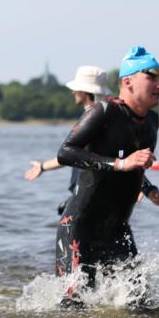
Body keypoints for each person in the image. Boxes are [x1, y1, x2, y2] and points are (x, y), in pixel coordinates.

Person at [55, 46, 159, 307]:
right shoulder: (103, 112)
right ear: (127, 82)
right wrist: (119, 163)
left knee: (139, 305)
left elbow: (134, 166)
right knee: (74, 310)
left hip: (117, 231)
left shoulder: (152, 121)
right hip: (80, 229)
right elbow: (65, 153)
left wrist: (153, 194)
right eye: (152, 77)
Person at [25, 66, 111, 214]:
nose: (73, 92)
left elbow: (71, 154)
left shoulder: (91, 119)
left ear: (84, 92)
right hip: (97, 194)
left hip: (88, 194)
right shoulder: (108, 116)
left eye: (76, 89)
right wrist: (43, 166)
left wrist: (43, 167)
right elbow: (76, 155)